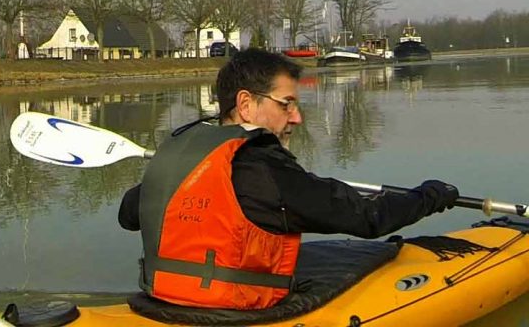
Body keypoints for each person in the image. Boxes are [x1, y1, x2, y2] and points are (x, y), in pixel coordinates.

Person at [118, 48, 459, 310]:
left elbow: (129, 214)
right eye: (286, 104)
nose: (297, 118)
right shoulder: (266, 172)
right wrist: (429, 196)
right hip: (235, 311)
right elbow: (368, 218)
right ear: (246, 105)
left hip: (165, 301)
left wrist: (167, 173)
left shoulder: (185, 163)